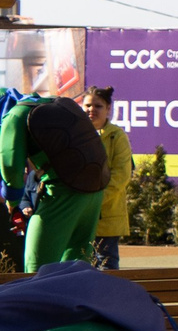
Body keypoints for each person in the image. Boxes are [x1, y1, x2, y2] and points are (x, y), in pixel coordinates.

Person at [0, 95, 107, 268]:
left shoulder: (15, 115)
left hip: (60, 193)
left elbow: (11, 166)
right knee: (76, 267)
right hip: (95, 190)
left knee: (38, 268)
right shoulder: (55, 103)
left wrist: (12, 201)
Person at [85, 87, 132, 269]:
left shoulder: (117, 136)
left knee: (106, 269)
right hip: (78, 217)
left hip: (107, 217)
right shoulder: (75, 135)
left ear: (108, 109)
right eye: (88, 105)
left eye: (98, 106)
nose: (92, 110)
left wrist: (96, 200)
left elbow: (121, 175)